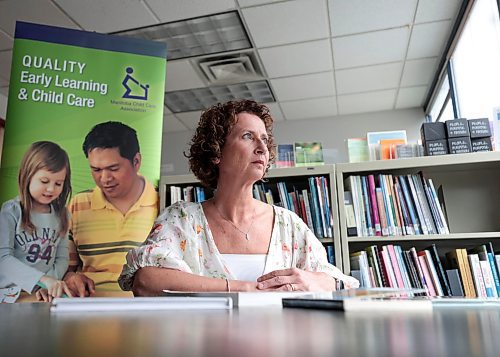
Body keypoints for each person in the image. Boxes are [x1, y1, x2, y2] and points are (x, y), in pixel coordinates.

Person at [119, 100, 359, 295]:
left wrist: (318, 282)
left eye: (264, 139)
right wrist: (244, 288)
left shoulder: (289, 224)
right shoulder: (182, 219)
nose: (262, 148)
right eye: (247, 136)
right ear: (216, 152)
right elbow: (146, 280)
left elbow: (338, 281)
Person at [64, 121, 158, 296]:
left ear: (136, 161)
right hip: (89, 307)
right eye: (96, 170)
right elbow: (63, 269)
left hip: (145, 309)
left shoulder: (162, 203)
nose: (104, 178)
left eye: (113, 168)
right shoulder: (78, 204)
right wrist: (70, 277)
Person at [0, 141, 73, 301]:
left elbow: (62, 258)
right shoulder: (10, 211)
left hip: (41, 293)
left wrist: (48, 284)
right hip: (10, 295)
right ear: (27, 176)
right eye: (44, 181)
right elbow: (3, 258)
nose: (51, 189)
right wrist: (41, 280)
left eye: (58, 183)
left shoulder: (63, 215)